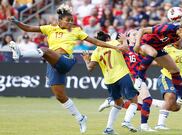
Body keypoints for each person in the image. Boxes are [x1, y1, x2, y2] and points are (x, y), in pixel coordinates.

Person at [8, 4, 126, 134]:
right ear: (59, 21)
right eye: (67, 20)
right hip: (53, 63)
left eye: (72, 21)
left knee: (44, 50)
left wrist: (114, 47)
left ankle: (21, 54)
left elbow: (96, 42)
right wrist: (16, 21)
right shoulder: (50, 28)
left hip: (66, 61)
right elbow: (28, 28)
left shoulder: (76, 31)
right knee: (60, 96)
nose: (70, 23)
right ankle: (80, 118)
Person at [133, 9, 182, 102]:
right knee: (153, 53)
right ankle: (139, 78)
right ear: (180, 30)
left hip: (158, 48)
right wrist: (137, 44)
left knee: (175, 70)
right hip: (144, 43)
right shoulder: (168, 28)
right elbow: (142, 30)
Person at [82, 31, 139, 134]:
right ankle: (127, 121)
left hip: (109, 80)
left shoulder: (96, 51)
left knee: (118, 104)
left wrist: (86, 59)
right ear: (108, 38)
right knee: (134, 100)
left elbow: (89, 68)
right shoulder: (113, 43)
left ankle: (109, 128)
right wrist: (124, 40)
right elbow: (126, 49)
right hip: (121, 75)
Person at [99, 29, 156, 132]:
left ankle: (112, 102)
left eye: (137, 34)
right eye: (133, 34)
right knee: (147, 100)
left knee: (140, 106)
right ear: (128, 37)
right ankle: (143, 125)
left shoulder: (140, 49)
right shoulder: (124, 49)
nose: (136, 35)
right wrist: (122, 41)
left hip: (138, 77)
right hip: (131, 77)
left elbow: (149, 61)